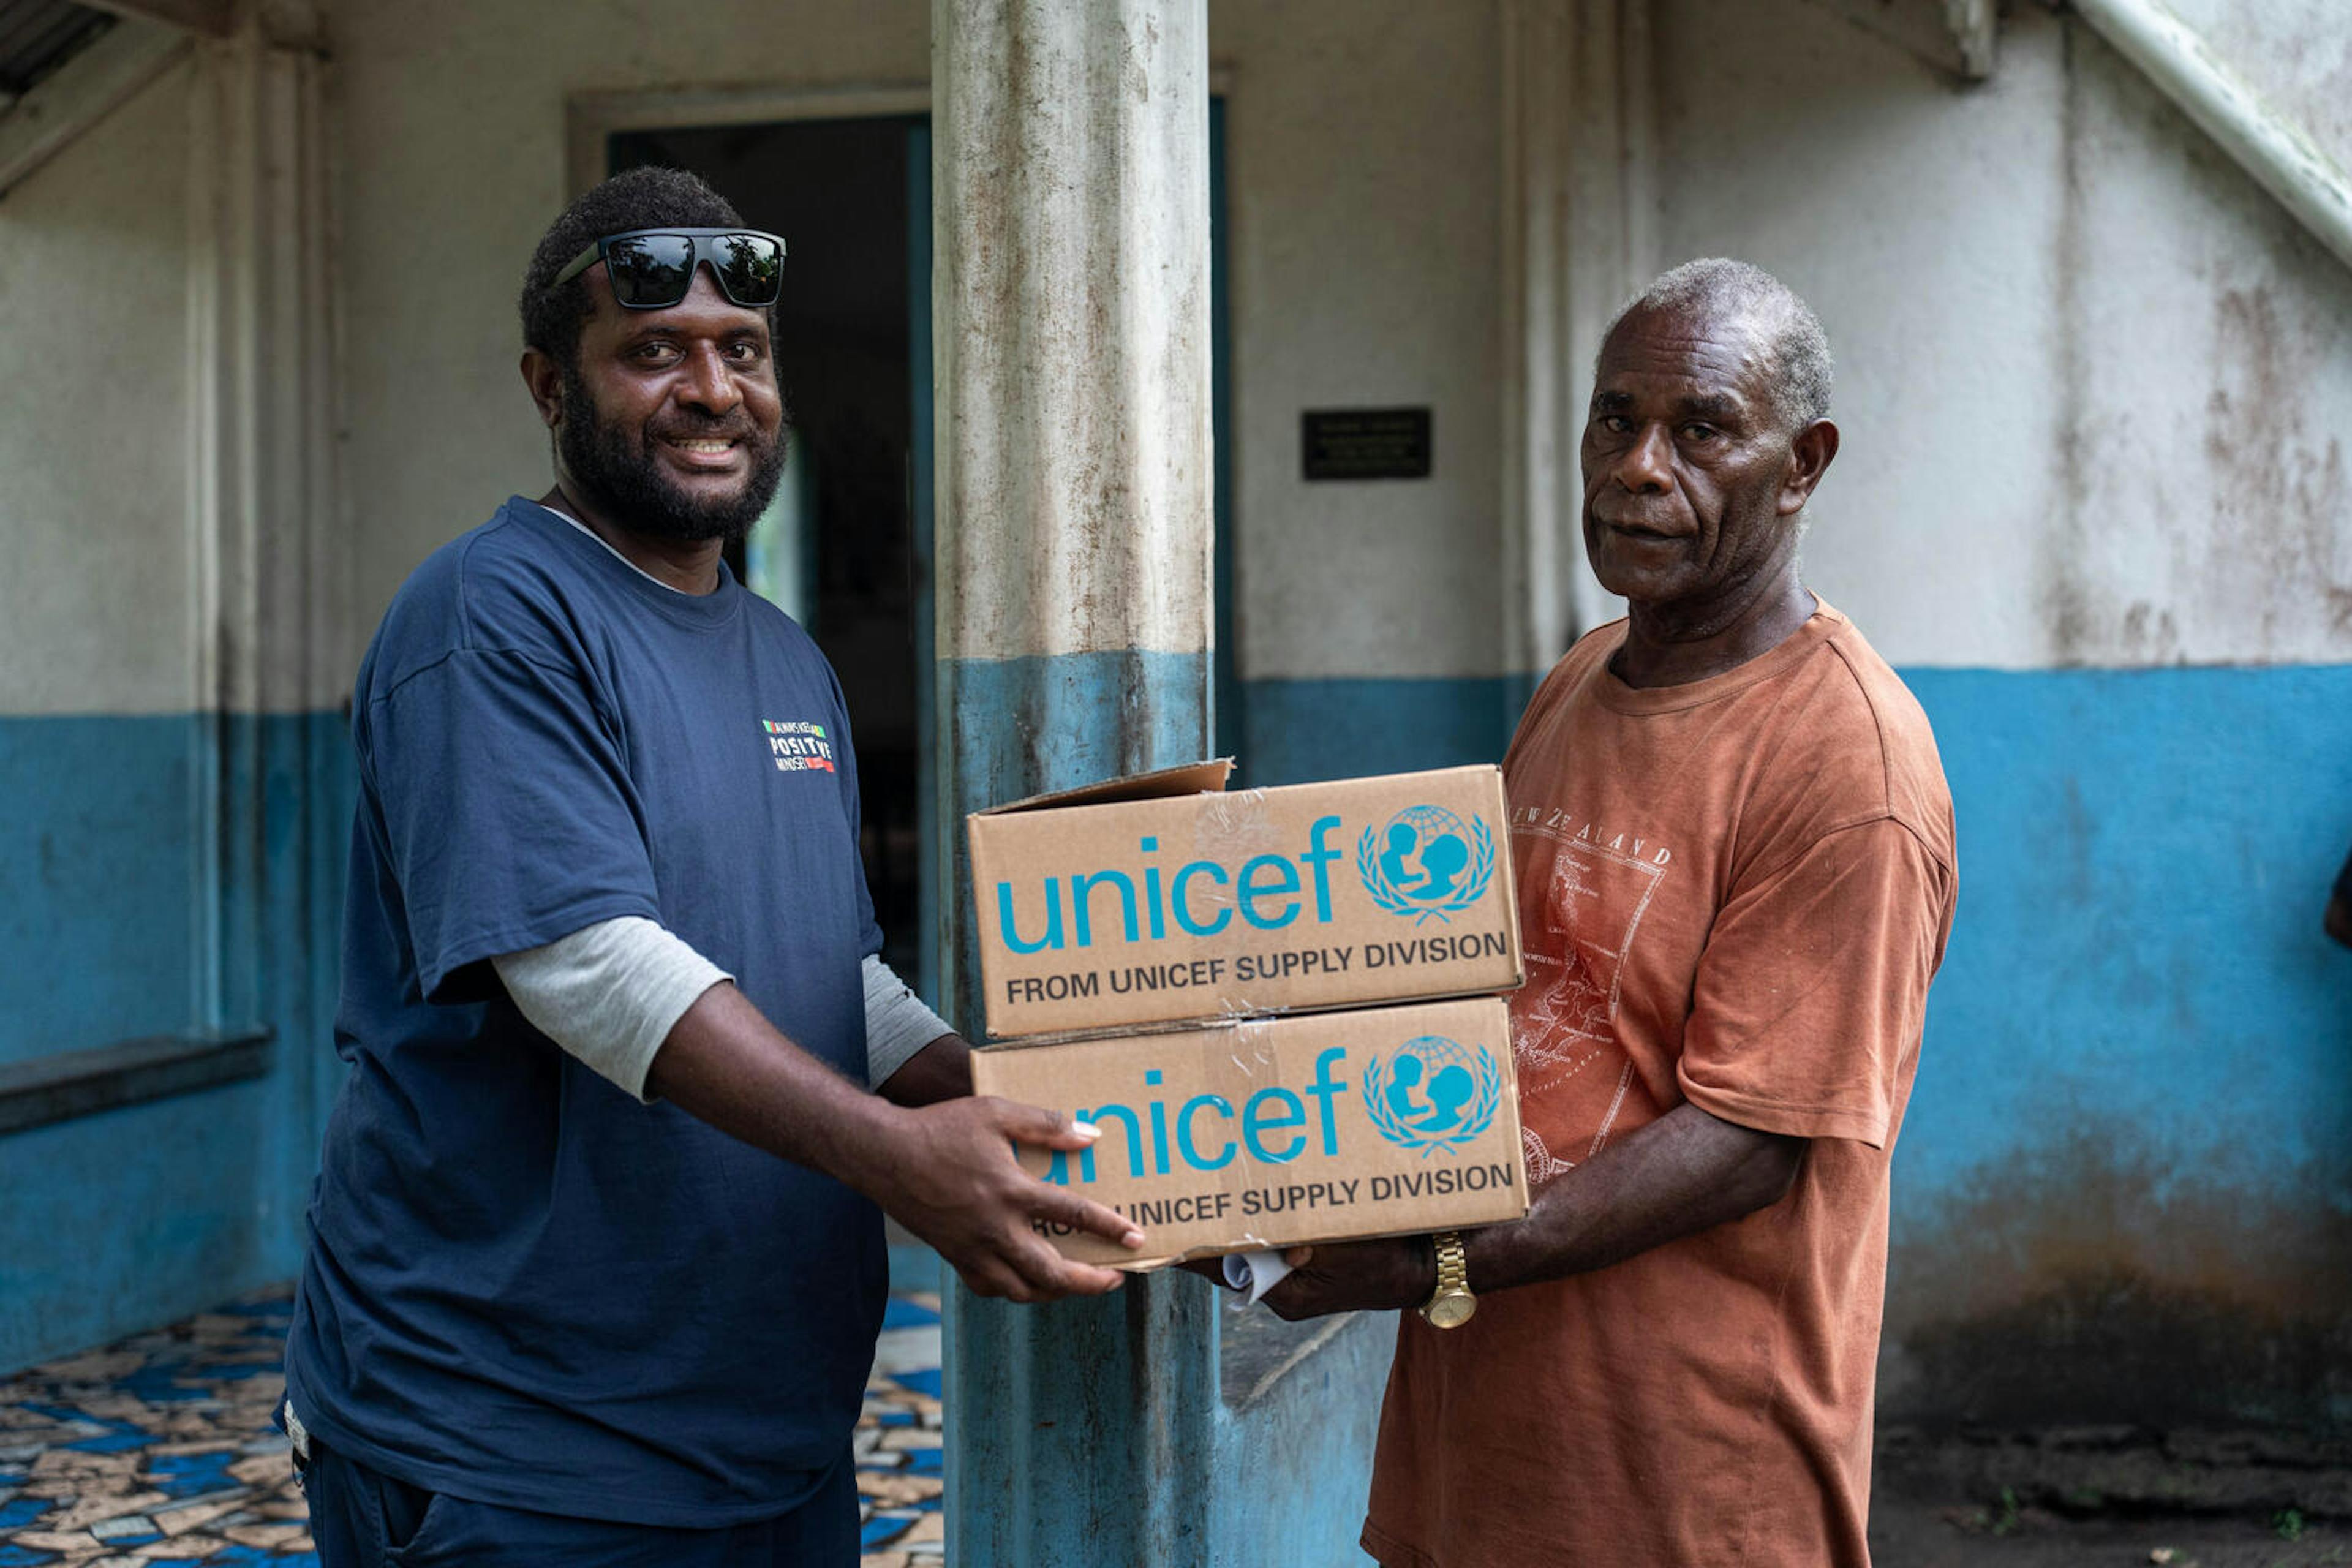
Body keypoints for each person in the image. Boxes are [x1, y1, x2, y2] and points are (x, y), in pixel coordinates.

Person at [281, 167, 1142, 1567]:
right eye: (651, 351)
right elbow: (585, 964)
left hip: (763, 1433)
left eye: (740, 350)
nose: (711, 386)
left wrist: (1045, 1108)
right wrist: (900, 1159)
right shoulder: (493, 610)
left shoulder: (780, 650)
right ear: (550, 388)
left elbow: (832, 981)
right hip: (521, 1443)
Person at [1259, 258, 1958, 1568]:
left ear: (1802, 464)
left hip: (1684, 1485)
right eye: (1613, 418)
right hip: (1481, 1450)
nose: (1638, 466)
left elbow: (1753, 1136)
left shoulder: (1846, 761)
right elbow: (1500, 985)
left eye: (1700, 428)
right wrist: (1269, 1106)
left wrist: (1426, 1261)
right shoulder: (1586, 672)